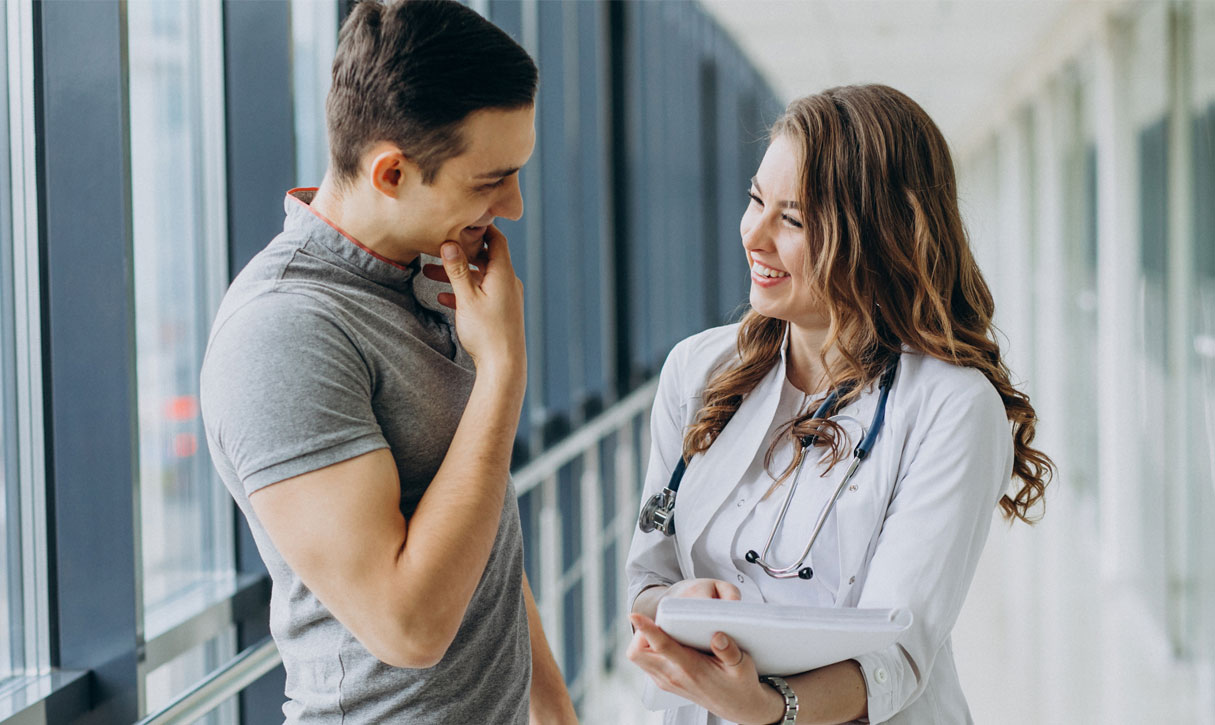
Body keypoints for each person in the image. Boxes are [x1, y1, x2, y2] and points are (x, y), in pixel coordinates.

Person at [625, 84, 1054, 725]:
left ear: (880, 237)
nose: (754, 236)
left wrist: (769, 707)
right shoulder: (697, 371)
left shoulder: (952, 407)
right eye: (755, 200)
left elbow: (897, 655)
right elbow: (645, 581)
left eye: (793, 220)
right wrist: (679, 601)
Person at [199, 1, 576, 722]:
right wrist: (501, 371)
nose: (514, 206)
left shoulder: (425, 277)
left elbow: (474, 519)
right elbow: (409, 627)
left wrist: (554, 709)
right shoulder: (281, 333)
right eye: (489, 180)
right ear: (392, 172)